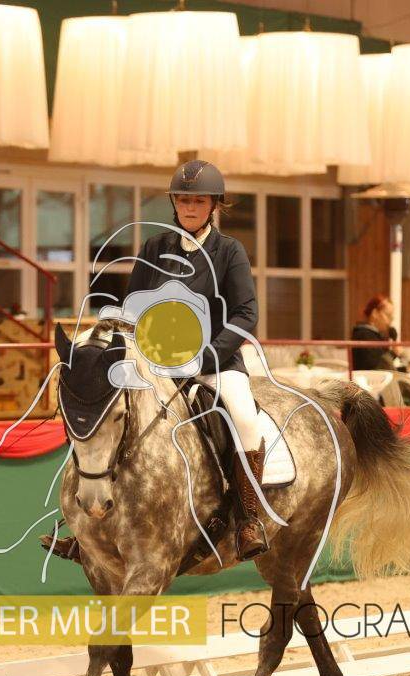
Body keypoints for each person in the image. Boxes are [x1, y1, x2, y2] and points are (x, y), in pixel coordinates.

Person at [47, 159, 268, 562]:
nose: (189, 207)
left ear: (213, 205)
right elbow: (133, 308)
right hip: (153, 363)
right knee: (106, 411)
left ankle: (247, 518)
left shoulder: (228, 251)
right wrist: (113, 331)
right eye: (183, 200)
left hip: (213, 362)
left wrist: (210, 354)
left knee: (244, 417)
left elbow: (246, 313)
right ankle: (86, 527)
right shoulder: (154, 248)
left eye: (197, 201)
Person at [351, 295, 399, 372]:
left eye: (391, 317)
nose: (391, 320)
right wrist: (394, 353)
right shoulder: (364, 335)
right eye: (388, 315)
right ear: (375, 313)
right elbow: (377, 367)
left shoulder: (373, 335)